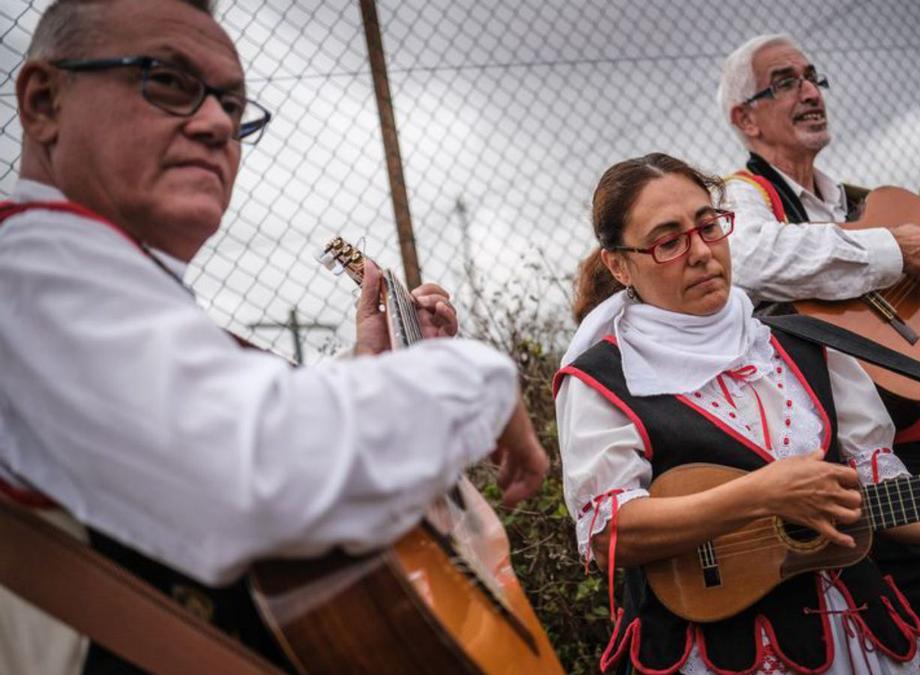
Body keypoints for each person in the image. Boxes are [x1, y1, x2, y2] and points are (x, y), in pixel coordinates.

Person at [0, 1, 548, 672]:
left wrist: (371, 364)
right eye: (167, 81)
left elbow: (194, 432)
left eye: (232, 107)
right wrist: (478, 378)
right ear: (44, 100)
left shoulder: (87, 285)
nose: (212, 125)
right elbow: (268, 466)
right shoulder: (31, 270)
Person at [556, 153, 920, 674]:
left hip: (855, 636)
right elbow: (610, 534)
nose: (701, 252)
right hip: (710, 656)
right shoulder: (602, 379)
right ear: (619, 264)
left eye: (709, 225)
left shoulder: (801, 340)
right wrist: (759, 494)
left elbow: (873, 485)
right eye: (668, 241)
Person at [714, 34, 920, 674]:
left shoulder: (863, 206)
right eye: (785, 82)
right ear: (744, 118)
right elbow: (747, 256)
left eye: (813, 77)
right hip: (854, 484)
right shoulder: (744, 199)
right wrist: (892, 252)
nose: (811, 92)